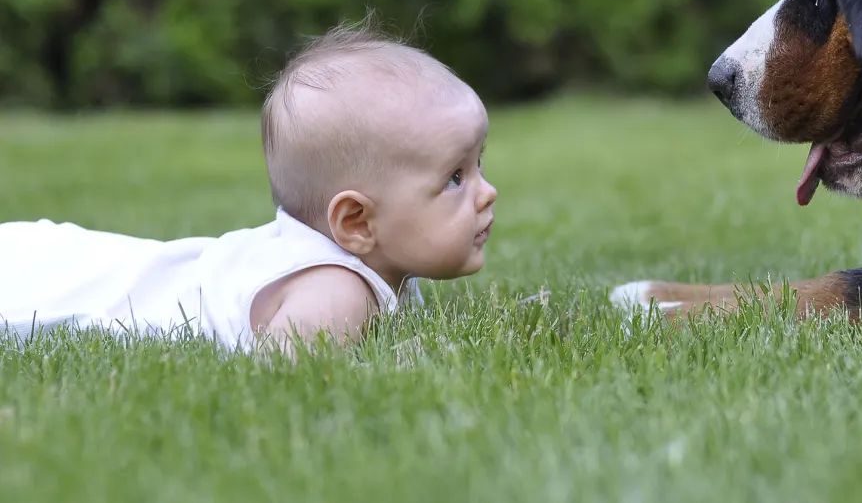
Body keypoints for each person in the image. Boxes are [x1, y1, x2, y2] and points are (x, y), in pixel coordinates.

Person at [0, 18, 498, 355]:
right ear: (356, 222)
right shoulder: (336, 290)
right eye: (455, 178)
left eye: (477, 165)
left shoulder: (374, 266)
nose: (486, 192)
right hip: (35, 286)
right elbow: (281, 380)